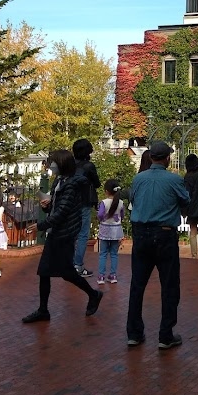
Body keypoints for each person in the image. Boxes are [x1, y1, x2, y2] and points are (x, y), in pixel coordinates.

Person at [22, 149, 103, 323]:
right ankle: (43, 310)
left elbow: (63, 212)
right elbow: (55, 207)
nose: (50, 166)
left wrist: (41, 225)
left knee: (66, 272)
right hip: (56, 232)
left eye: (53, 162)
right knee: (44, 271)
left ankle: (93, 294)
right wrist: (47, 205)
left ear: (62, 164)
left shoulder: (72, 185)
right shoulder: (59, 181)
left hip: (64, 234)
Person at [126, 140, 190, 350]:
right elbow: (186, 202)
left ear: (151, 157)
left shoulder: (138, 179)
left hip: (140, 234)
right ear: (167, 158)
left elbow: (133, 200)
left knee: (137, 285)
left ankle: (134, 333)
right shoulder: (174, 179)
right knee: (169, 286)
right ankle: (165, 335)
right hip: (164, 234)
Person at [72, 138, 101, 277]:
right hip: (85, 202)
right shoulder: (89, 166)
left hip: (71, 202)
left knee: (72, 233)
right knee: (83, 234)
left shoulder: (70, 165)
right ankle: (78, 265)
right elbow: (97, 183)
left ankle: (70, 263)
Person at [97, 179, 125, 284]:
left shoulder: (104, 202)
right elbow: (122, 215)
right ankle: (113, 275)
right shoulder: (121, 203)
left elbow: (100, 214)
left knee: (103, 254)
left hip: (105, 229)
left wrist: (101, 219)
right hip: (116, 231)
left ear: (106, 191)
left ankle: (101, 276)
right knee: (114, 254)